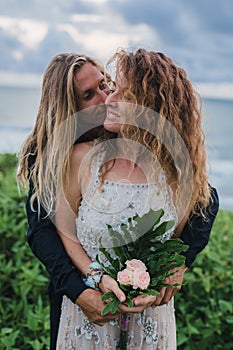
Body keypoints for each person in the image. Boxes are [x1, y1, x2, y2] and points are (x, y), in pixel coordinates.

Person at [17, 52, 219, 350]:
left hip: (148, 317)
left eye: (106, 84)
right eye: (89, 95)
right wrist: (80, 290)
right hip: (75, 296)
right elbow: (42, 232)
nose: (105, 97)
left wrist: (179, 263)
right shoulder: (55, 156)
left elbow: (206, 199)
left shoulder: (165, 161)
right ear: (70, 109)